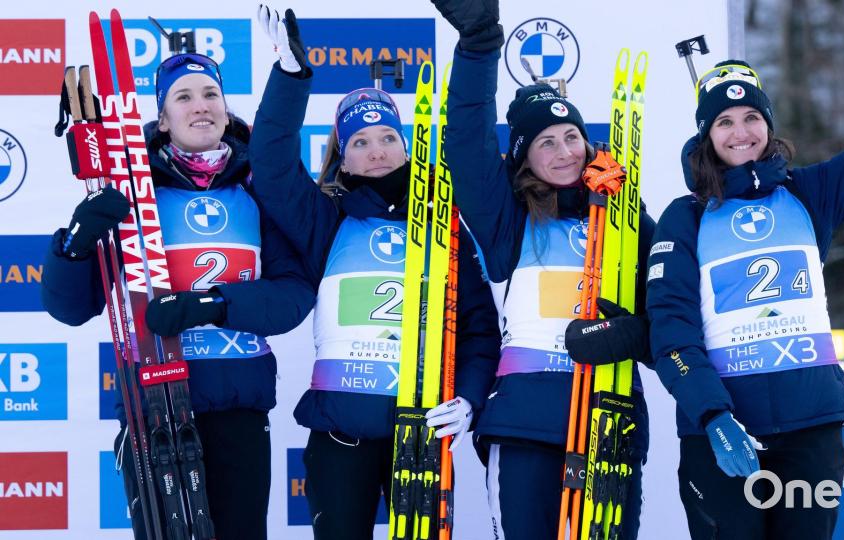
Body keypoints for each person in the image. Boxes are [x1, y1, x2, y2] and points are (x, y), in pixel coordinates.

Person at [646, 2, 844, 539]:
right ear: (707, 135)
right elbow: (671, 332)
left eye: (752, 117)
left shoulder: (808, 194)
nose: (740, 132)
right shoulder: (686, 218)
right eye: (724, 122)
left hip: (811, 432)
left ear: (768, 124)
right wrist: (711, 416)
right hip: (723, 435)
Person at [41, 51, 315, 540]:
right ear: (163, 120)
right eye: (183, 97)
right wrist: (75, 245)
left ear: (227, 111)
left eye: (211, 94)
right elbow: (71, 308)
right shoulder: (131, 193)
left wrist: (213, 304)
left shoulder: (260, 190)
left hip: (239, 406)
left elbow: (292, 296)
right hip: (154, 404)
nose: (200, 106)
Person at [251, 7, 501, 539]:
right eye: (359, 142)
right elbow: (271, 169)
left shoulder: (442, 225)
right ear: (342, 156)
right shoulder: (325, 220)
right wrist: (291, 78)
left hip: (421, 428)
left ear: (405, 144)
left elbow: (480, 328)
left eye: (387, 136)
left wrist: (472, 398)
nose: (376, 151)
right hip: (340, 432)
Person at [430, 1, 656, 538]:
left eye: (571, 137)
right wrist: (480, 45)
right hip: (524, 420)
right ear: (523, 157)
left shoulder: (625, 213)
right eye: (544, 142)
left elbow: (665, 314)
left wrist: (628, 333)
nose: (563, 152)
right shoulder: (508, 220)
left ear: (588, 139)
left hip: (610, 417)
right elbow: (464, 143)